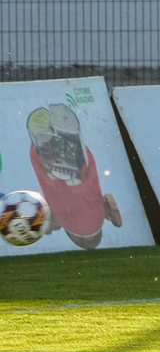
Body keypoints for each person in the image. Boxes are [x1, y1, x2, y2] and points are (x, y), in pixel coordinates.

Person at [26, 102, 126, 251]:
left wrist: (113, 216)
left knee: (82, 182)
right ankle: (50, 151)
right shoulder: (63, 221)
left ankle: (67, 166)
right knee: (57, 183)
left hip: (85, 203)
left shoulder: (98, 219)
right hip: (64, 205)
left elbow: (111, 205)